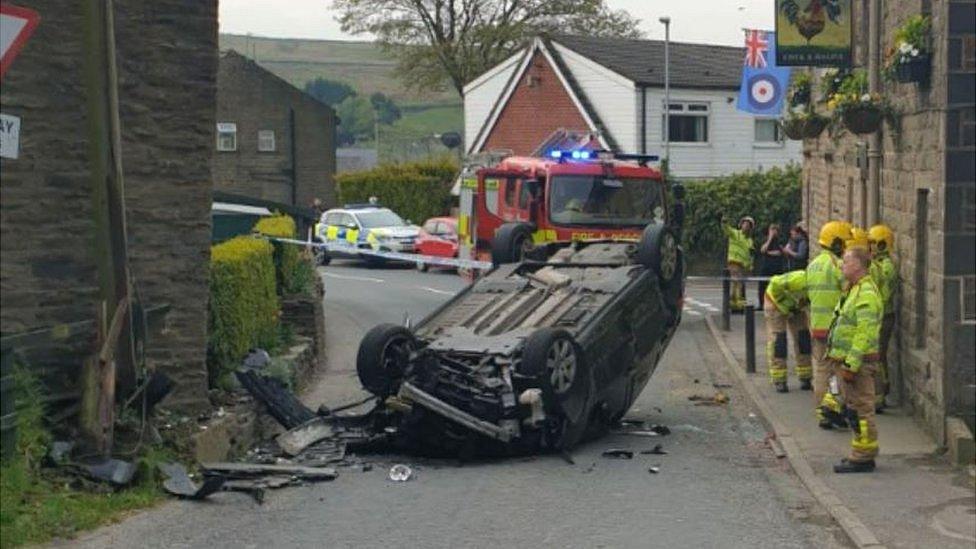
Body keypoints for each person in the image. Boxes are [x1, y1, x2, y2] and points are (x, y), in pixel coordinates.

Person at [826, 247, 883, 473]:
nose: (842, 264)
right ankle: (860, 452)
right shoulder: (854, 289)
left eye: (846, 261)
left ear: (859, 265)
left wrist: (851, 364)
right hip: (848, 361)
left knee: (861, 409)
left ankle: (864, 456)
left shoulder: (866, 293)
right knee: (853, 409)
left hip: (857, 363)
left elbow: (864, 332)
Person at [807, 220, 853, 429]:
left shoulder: (813, 264)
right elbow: (849, 292)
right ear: (835, 242)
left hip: (817, 326)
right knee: (841, 370)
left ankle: (821, 412)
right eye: (843, 242)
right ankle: (835, 406)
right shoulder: (837, 265)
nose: (845, 247)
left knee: (822, 369)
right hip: (835, 328)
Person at [763, 269, 813, 393]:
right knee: (779, 339)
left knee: (803, 338)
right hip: (775, 303)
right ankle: (780, 379)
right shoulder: (799, 279)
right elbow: (775, 283)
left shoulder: (818, 288)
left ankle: (805, 376)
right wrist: (784, 303)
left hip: (796, 308)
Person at [868, 224, 897, 412]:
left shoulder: (885, 267)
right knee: (879, 356)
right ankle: (881, 391)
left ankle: (881, 394)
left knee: (878, 356)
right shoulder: (880, 265)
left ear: (881, 245)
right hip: (881, 315)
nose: (869, 247)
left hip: (883, 316)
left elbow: (883, 295)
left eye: (872, 243)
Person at [724, 216, 755, 312]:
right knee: (736, 285)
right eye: (745, 224)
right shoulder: (735, 234)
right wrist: (724, 222)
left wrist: (750, 267)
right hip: (733, 263)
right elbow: (727, 229)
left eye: (748, 225)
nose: (746, 226)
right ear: (741, 225)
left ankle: (737, 306)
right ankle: (736, 307)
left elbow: (750, 255)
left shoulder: (749, 241)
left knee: (739, 286)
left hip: (743, 266)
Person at [758, 224, 787, 306]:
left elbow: (779, 253)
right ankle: (762, 304)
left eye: (775, 230)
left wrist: (769, 253)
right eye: (772, 230)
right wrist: (770, 238)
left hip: (777, 267)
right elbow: (763, 250)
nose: (773, 232)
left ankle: (777, 303)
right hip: (766, 267)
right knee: (762, 285)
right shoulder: (766, 240)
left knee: (778, 286)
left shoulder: (780, 240)